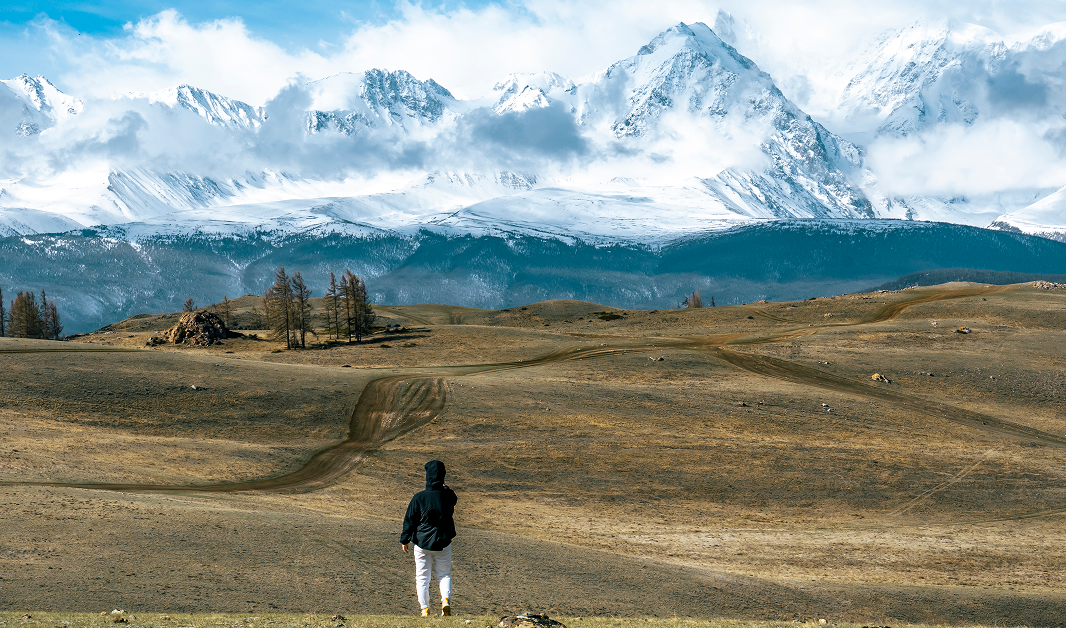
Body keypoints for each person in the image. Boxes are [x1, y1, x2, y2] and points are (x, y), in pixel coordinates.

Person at [400, 459, 458, 617]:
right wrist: (445, 488)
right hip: (444, 541)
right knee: (444, 574)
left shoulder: (419, 497)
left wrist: (405, 539)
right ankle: (445, 600)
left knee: (422, 577)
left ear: (427, 476)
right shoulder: (448, 496)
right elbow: (454, 499)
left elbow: (410, 519)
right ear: (443, 476)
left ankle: (425, 608)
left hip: (422, 542)